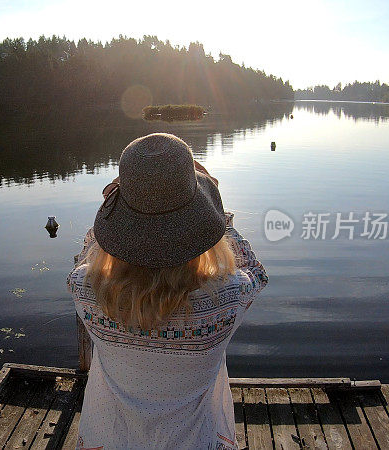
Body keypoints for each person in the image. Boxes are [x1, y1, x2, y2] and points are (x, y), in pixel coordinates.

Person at [67, 133, 268, 450]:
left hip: (109, 440)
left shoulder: (86, 290)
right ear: (200, 216)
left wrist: (118, 202)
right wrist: (220, 217)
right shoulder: (227, 298)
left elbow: (88, 252)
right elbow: (256, 271)